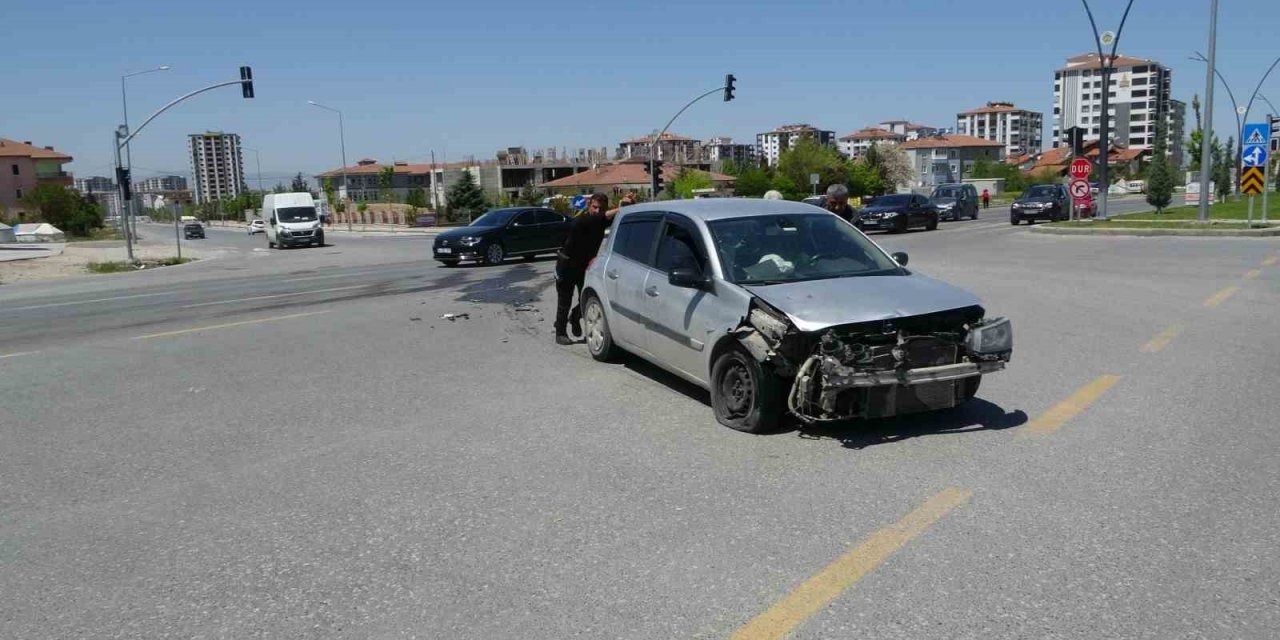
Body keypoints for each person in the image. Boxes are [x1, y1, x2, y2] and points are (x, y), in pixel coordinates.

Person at [554, 191, 634, 345]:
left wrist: (627, 204)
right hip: (567, 265)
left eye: (601, 208)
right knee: (564, 301)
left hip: (585, 267)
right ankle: (560, 333)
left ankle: (575, 316)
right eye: (595, 207)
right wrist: (619, 209)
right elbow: (600, 218)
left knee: (587, 299)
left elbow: (617, 218)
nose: (597, 211)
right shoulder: (582, 220)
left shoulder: (600, 221)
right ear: (589, 206)